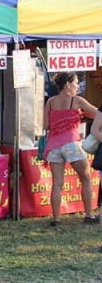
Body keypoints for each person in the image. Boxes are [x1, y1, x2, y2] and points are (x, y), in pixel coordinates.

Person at [43, 71, 98, 226]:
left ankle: (56, 219)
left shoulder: (50, 102)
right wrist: (79, 115)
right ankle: (89, 215)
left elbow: (46, 125)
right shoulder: (76, 100)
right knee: (85, 178)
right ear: (68, 84)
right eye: (76, 83)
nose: (78, 86)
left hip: (53, 146)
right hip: (71, 143)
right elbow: (97, 113)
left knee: (57, 183)